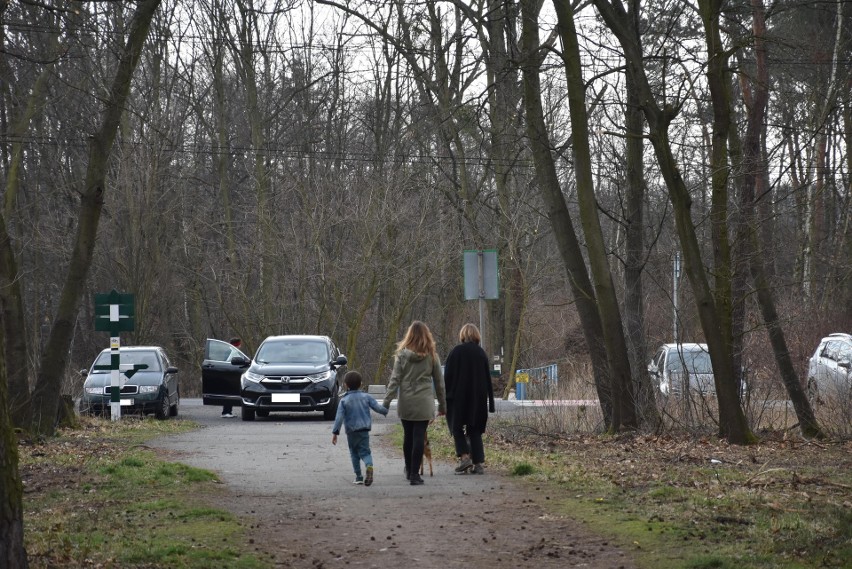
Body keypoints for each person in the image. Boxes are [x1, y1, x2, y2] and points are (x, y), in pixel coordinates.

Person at [382, 321, 446, 485]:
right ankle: (414, 475)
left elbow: (394, 379)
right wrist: (443, 405)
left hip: (406, 401)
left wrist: (386, 402)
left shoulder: (402, 356)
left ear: (409, 336)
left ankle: (409, 468)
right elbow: (439, 383)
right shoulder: (432, 356)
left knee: (408, 436)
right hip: (424, 402)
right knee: (419, 437)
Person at [443, 323, 495, 475]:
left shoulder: (455, 352)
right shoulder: (481, 353)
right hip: (477, 398)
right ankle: (478, 463)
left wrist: (445, 397)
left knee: (456, 427)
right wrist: (490, 402)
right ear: (476, 335)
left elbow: (448, 376)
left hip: (458, 397)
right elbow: (487, 379)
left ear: (462, 335)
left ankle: (464, 456)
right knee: (475, 429)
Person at [332, 371, 389, 486]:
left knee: (354, 453)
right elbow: (378, 408)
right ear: (361, 383)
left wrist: (335, 432)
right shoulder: (366, 397)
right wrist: (385, 410)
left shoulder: (344, 400)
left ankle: (358, 477)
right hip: (364, 430)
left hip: (351, 431)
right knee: (365, 452)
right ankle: (369, 465)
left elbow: (339, 418)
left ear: (345, 385)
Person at [222, 337, 242, 418]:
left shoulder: (230, 351)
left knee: (229, 394)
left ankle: (228, 411)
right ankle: (226, 412)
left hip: (229, 375)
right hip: (229, 376)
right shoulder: (233, 352)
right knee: (229, 394)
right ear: (237, 344)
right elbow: (229, 361)